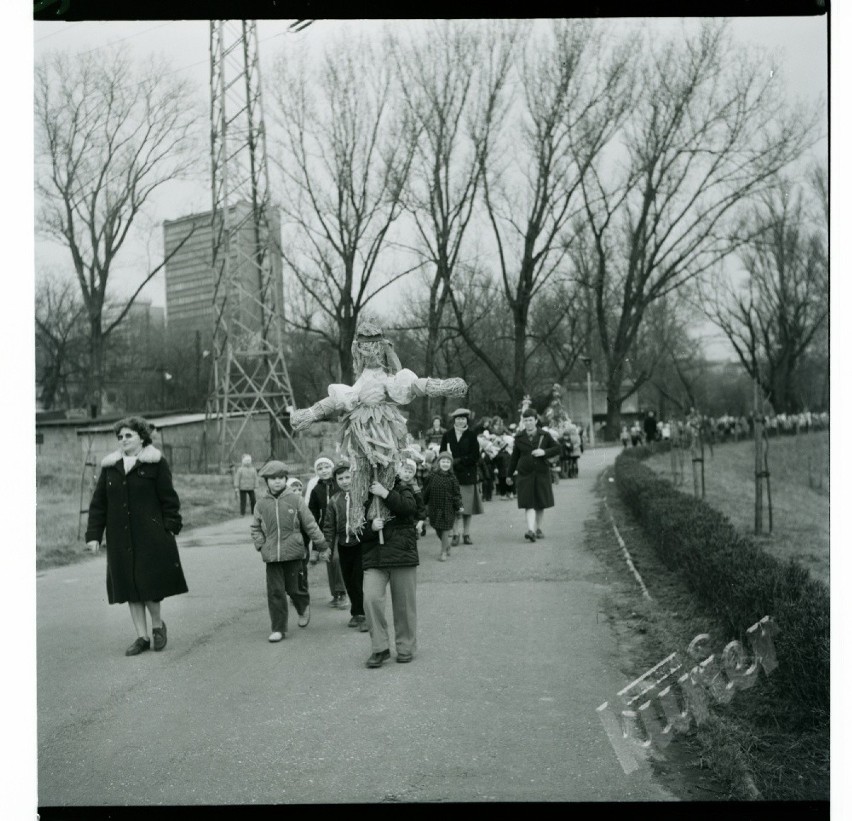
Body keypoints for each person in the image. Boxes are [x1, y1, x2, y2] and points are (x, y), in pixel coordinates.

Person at [85, 416, 188, 656]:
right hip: (120, 539)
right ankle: (141, 637)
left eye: (128, 436)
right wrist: (94, 536)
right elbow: (99, 504)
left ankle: (157, 625)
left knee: (150, 586)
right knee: (129, 587)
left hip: (150, 536)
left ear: (142, 437)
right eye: (119, 437)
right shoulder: (110, 467)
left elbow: (169, 499)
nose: (123, 440)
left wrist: (170, 526)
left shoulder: (155, 463)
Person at [251, 461, 329, 642]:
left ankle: (302, 606)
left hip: (294, 553)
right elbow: (255, 527)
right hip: (272, 556)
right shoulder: (261, 504)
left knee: (295, 589)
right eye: (272, 479)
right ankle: (278, 628)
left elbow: (310, 524)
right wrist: (261, 544)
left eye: (280, 478)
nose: (277, 482)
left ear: (285, 479)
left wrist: (322, 545)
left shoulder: (296, 500)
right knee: (275, 592)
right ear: (266, 481)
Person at [362, 463, 420, 668]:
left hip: (402, 554)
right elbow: (356, 528)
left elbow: (409, 509)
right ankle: (380, 648)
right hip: (375, 557)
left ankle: (405, 647)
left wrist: (385, 493)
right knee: (370, 599)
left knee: (404, 605)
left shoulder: (403, 488)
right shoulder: (363, 492)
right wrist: (371, 527)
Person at [322, 461, 369, 632]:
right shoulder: (334, 501)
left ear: (354, 477)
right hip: (344, 544)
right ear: (335, 480)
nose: (345, 481)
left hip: (360, 544)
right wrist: (327, 546)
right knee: (348, 580)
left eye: (348, 477)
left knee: (358, 580)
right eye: (340, 478)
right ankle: (356, 612)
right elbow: (329, 526)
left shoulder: (363, 495)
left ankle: (363, 614)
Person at [507, 408, 562, 542]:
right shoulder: (519, 437)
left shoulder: (545, 435)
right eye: (525, 420)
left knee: (540, 503)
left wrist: (544, 452)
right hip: (525, 474)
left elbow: (557, 448)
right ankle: (531, 530)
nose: (528, 423)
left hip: (541, 473)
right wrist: (509, 475)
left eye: (530, 420)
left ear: (536, 420)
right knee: (528, 503)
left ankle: (538, 528)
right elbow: (514, 457)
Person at [308, 456, 348, 609]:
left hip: (341, 529)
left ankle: (343, 593)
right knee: (329, 560)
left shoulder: (338, 485)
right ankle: (335, 595)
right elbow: (312, 513)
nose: (323, 471)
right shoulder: (316, 489)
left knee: (337, 559)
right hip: (326, 531)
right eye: (320, 468)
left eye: (326, 467)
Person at [439, 408, 482, 546]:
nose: (460, 421)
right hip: (451, 474)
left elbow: (476, 455)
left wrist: (460, 461)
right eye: (458, 418)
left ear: (466, 420)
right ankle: (455, 534)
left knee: (467, 507)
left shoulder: (471, 434)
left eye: (463, 418)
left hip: (468, 474)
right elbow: (442, 453)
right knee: (453, 506)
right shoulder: (447, 435)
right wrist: (449, 461)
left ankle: (466, 533)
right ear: (454, 420)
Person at [422, 451, 463, 561]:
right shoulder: (432, 476)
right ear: (438, 462)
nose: (445, 463)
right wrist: (422, 503)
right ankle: (447, 545)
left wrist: (459, 505)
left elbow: (457, 494)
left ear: (451, 464)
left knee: (445, 529)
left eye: (448, 462)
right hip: (434, 508)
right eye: (443, 461)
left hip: (448, 508)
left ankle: (443, 552)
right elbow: (426, 491)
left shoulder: (452, 478)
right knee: (437, 528)